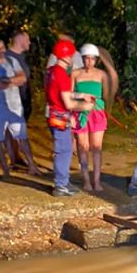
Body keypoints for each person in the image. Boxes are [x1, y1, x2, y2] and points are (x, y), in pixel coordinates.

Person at [0, 37, 39, 179]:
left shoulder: (12, 61)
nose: (1, 51)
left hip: (14, 105)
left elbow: (23, 78)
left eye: (2, 48)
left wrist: (6, 81)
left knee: (22, 136)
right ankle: (5, 170)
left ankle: (32, 166)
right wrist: (13, 81)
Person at [44, 38, 95, 197]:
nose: (74, 58)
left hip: (53, 114)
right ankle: (60, 186)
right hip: (60, 117)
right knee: (64, 151)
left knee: (64, 150)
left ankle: (64, 181)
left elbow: (63, 93)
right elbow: (68, 103)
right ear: (66, 56)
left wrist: (82, 95)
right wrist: (84, 107)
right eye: (72, 55)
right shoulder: (63, 75)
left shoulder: (51, 71)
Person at [72, 43, 118, 192]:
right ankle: (86, 180)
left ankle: (97, 181)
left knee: (96, 148)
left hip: (97, 111)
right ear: (82, 59)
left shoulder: (101, 74)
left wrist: (104, 107)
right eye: (86, 59)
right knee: (82, 147)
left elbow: (107, 94)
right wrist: (81, 96)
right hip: (80, 112)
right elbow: (67, 93)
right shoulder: (75, 74)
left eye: (92, 59)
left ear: (96, 60)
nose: (89, 62)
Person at [5, 30, 39, 172]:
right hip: (12, 101)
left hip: (22, 99)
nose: (30, 43)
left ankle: (15, 158)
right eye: (28, 39)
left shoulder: (20, 57)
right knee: (17, 131)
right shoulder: (7, 58)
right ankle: (26, 163)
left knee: (14, 131)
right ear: (20, 40)